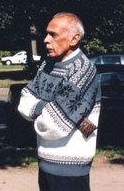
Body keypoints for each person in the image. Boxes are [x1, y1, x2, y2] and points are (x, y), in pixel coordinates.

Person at [18, 12, 101, 191]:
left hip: (71, 168)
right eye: (47, 33)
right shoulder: (47, 65)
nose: (46, 40)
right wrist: (50, 109)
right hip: (45, 161)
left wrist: (45, 109)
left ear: (74, 39)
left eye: (53, 34)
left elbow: (54, 125)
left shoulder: (84, 71)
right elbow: (24, 100)